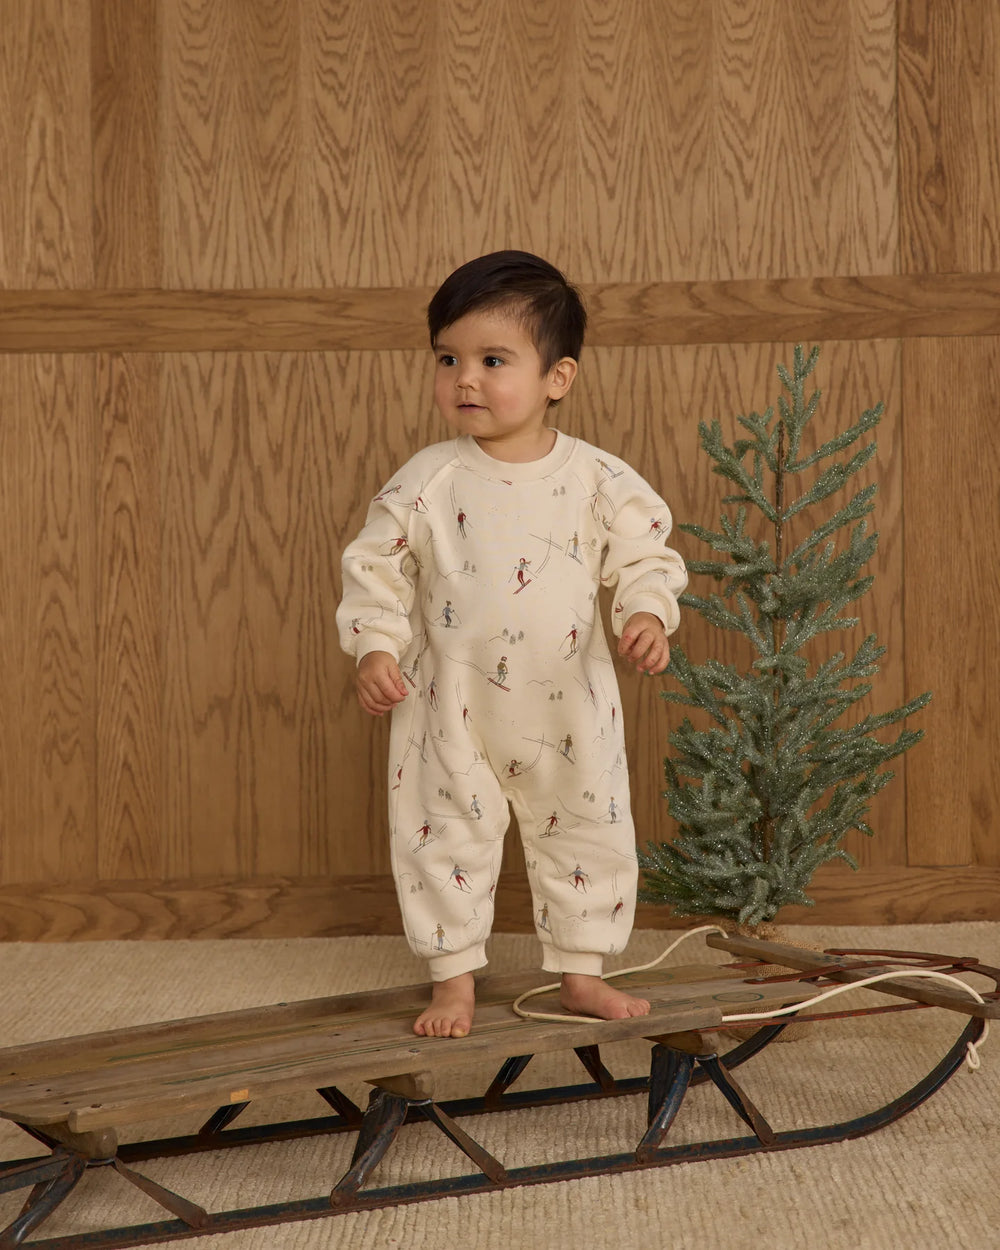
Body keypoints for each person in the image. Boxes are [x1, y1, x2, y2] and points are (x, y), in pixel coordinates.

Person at [337, 251, 687, 1039]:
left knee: (587, 825)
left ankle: (583, 973)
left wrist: (646, 614)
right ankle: (453, 981)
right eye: (448, 359)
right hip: (448, 702)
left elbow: (645, 555)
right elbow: (376, 567)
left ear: (557, 377)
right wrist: (375, 648)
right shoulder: (427, 480)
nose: (465, 379)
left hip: (568, 699)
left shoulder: (597, 478)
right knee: (440, 832)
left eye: (493, 361)